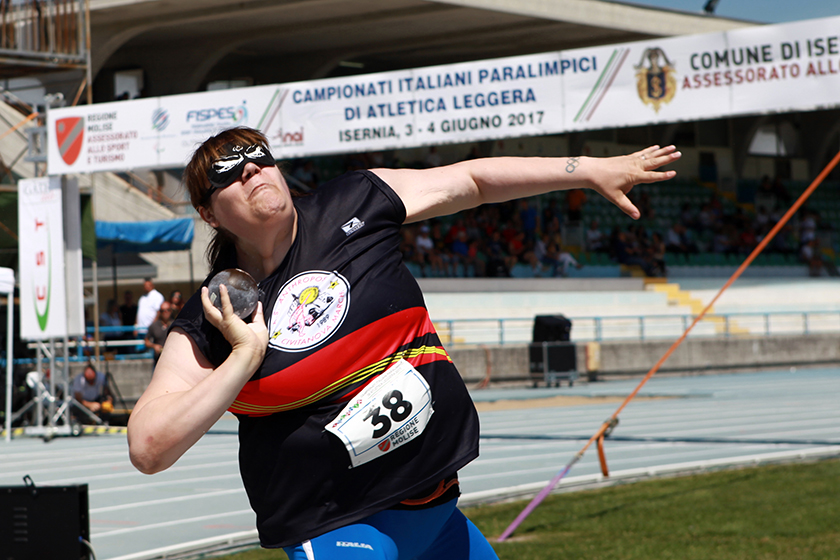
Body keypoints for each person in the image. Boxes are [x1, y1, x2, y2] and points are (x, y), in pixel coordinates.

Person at [127, 127, 680, 559]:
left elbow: (473, 180)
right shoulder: (215, 314)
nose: (251, 168)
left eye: (259, 156)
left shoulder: (354, 202)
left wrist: (586, 170)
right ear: (207, 212)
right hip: (338, 525)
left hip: (436, 512)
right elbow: (149, 447)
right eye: (228, 171)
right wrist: (245, 356)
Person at [145, 301, 174, 367]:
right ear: (160, 312)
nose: (165, 312)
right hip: (158, 362)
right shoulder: (154, 326)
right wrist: (154, 346)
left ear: (171, 311)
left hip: (173, 361)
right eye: (163, 310)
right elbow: (146, 341)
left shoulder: (176, 325)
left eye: (168, 310)